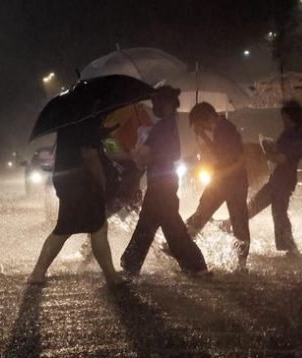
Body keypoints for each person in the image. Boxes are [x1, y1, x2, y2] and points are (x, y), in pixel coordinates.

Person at [120, 86, 209, 276]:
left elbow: (168, 154)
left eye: (156, 103)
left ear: (165, 103)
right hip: (162, 181)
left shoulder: (163, 127)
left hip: (161, 182)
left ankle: (195, 265)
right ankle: (131, 262)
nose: (153, 107)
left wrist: (143, 156)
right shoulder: (167, 125)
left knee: (162, 223)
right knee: (158, 222)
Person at [28, 116, 122, 285]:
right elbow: (89, 155)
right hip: (84, 183)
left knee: (67, 227)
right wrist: (102, 183)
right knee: (96, 227)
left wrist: (102, 132)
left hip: (67, 181)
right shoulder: (87, 119)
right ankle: (111, 276)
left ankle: (38, 273)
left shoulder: (69, 122)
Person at [185, 102, 250, 272]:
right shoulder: (221, 129)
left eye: (198, 124)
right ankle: (180, 246)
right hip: (226, 180)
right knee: (204, 212)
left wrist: (222, 175)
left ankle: (241, 264)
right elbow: (220, 153)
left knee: (237, 222)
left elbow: (240, 159)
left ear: (206, 118)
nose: (198, 128)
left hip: (232, 181)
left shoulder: (225, 130)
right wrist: (205, 137)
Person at [247, 100, 302, 259]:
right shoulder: (291, 134)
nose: (283, 120)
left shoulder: (297, 135)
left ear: (291, 116)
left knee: (274, 210)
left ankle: (292, 248)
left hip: (284, 179)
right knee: (274, 210)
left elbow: (284, 158)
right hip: (280, 179)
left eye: (285, 117)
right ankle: (291, 247)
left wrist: (267, 154)